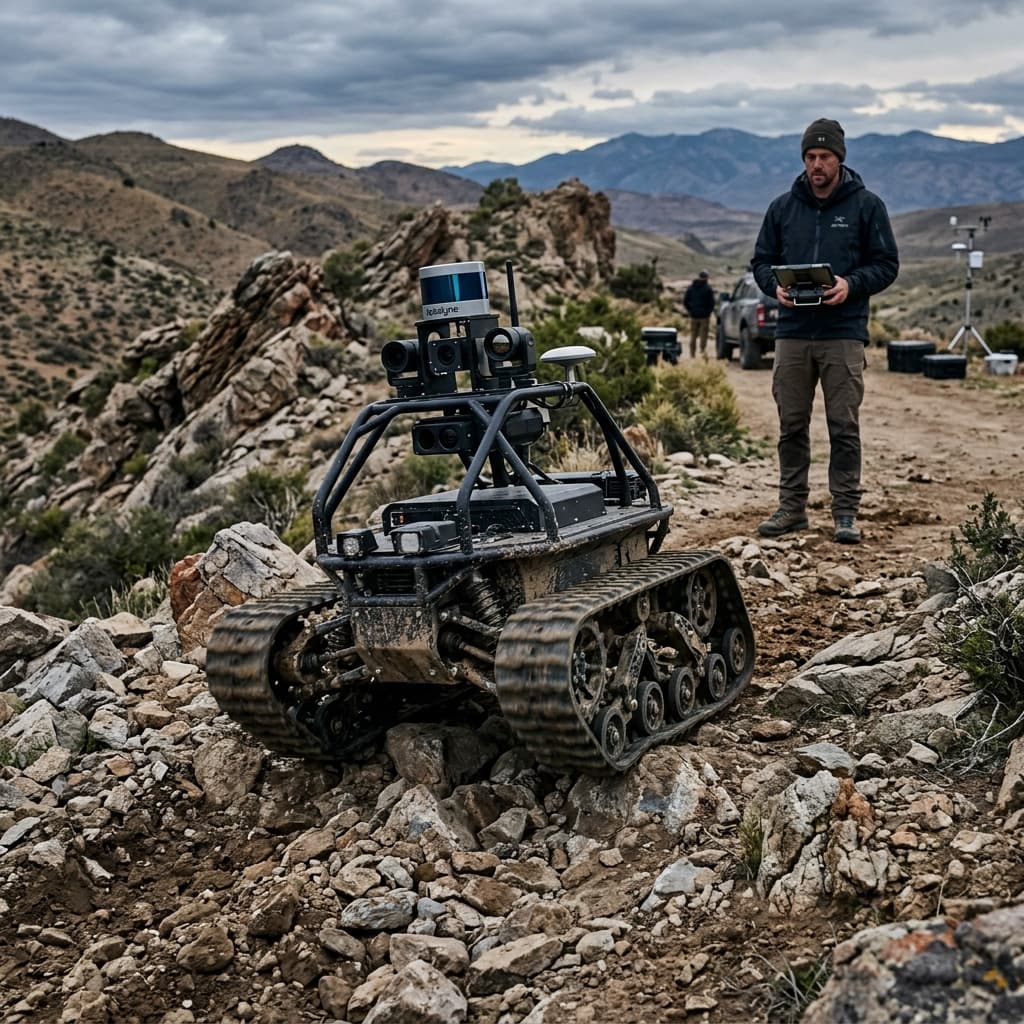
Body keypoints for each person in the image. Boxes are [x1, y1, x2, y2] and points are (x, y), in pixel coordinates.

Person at [751, 118, 899, 545]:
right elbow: (760, 261)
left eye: (825, 157)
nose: (817, 164)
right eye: (811, 157)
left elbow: (887, 264)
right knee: (791, 424)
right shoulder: (782, 208)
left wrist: (851, 284)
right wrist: (773, 287)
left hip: (843, 331)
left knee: (843, 425)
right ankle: (792, 508)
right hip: (793, 331)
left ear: (840, 159)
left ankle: (845, 512)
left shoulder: (866, 206)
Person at [682, 270, 715, 359]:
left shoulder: (691, 288)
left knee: (693, 335)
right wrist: (709, 312)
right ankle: (702, 351)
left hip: (694, 315)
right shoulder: (708, 289)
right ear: (706, 278)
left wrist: (690, 310)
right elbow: (711, 303)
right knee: (703, 335)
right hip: (704, 316)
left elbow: (685, 301)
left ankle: (692, 354)